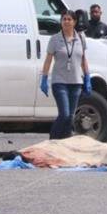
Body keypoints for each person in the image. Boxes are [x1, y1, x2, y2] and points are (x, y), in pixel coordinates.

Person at [40, 11, 92, 139]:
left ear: (74, 22)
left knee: (71, 117)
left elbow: (83, 59)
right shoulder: (55, 39)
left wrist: (87, 77)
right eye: (64, 19)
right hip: (60, 82)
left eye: (69, 19)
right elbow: (48, 60)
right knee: (64, 114)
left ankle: (65, 142)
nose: (66, 21)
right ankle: (52, 140)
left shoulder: (80, 38)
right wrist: (44, 77)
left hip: (76, 83)